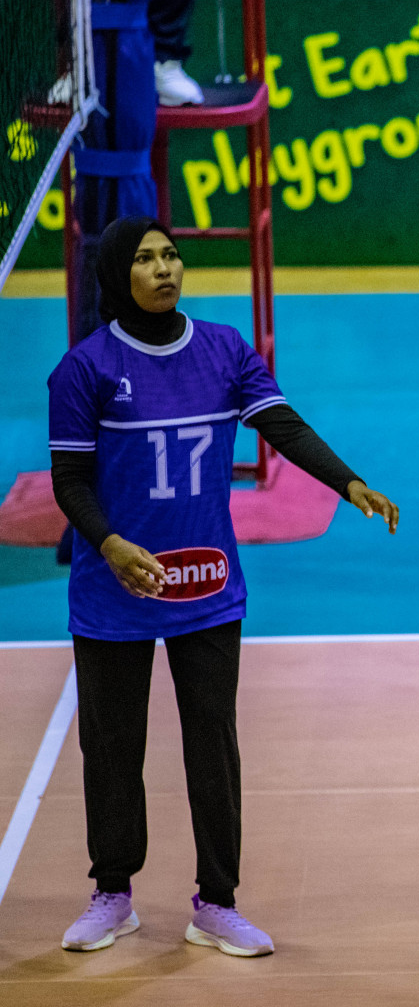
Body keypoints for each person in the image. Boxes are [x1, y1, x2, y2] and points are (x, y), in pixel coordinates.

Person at [48, 216, 399, 955]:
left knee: (213, 743)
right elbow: (70, 481)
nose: (165, 269)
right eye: (146, 259)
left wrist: (348, 482)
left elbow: (283, 426)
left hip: (206, 585)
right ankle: (113, 894)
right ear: (117, 275)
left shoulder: (224, 350)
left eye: (171, 255)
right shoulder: (83, 369)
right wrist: (110, 544)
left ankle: (217, 904)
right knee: (113, 748)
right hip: (115, 590)